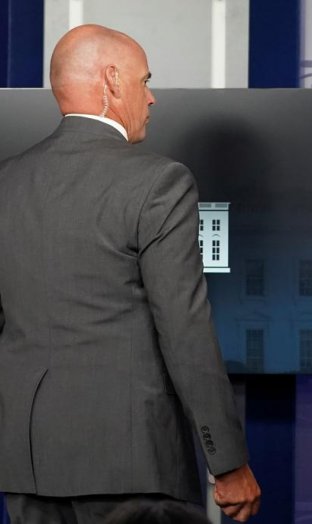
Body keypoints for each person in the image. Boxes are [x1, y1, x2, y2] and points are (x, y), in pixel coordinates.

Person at [0, 24, 260, 523]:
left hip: (26, 463)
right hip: (132, 461)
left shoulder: (6, 182)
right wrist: (227, 461)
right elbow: (184, 329)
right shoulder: (159, 182)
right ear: (112, 81)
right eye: (145, 81)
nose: (152, 97)